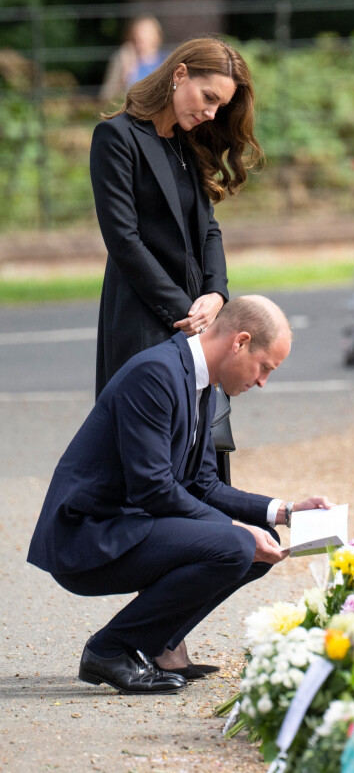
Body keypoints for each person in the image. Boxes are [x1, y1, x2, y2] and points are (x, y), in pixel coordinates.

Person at [27, 296, 334, 696]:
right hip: (89, 534)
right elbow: (152, 487)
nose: (262, 382)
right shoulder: (156, 373)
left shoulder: (200, 381)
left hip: (129, 522)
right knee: (237, 544)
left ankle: (157, 642)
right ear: (240, 342)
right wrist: (235, 529)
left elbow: (204, 485)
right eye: (265, 368)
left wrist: (285, 512)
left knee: (259, 545)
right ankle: (109, 649)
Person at [91, 36, 262, 398]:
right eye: (209, 97)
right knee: (145, 443)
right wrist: (185, 311)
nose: (212, 113)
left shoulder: (188, 141)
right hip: (143, 316)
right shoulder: (117, 137)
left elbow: (208, 229)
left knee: (198, 445)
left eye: (221, 105)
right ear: (179, 74)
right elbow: (123, 240)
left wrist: (217, 294)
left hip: (199, 316)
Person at [100, 16, 167, 101]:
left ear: (157, 37)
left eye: (146, 32)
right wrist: (126, 73)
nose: (141, 36)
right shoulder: (122, 59)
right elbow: (106, 95)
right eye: (138, 34)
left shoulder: (166, 60)